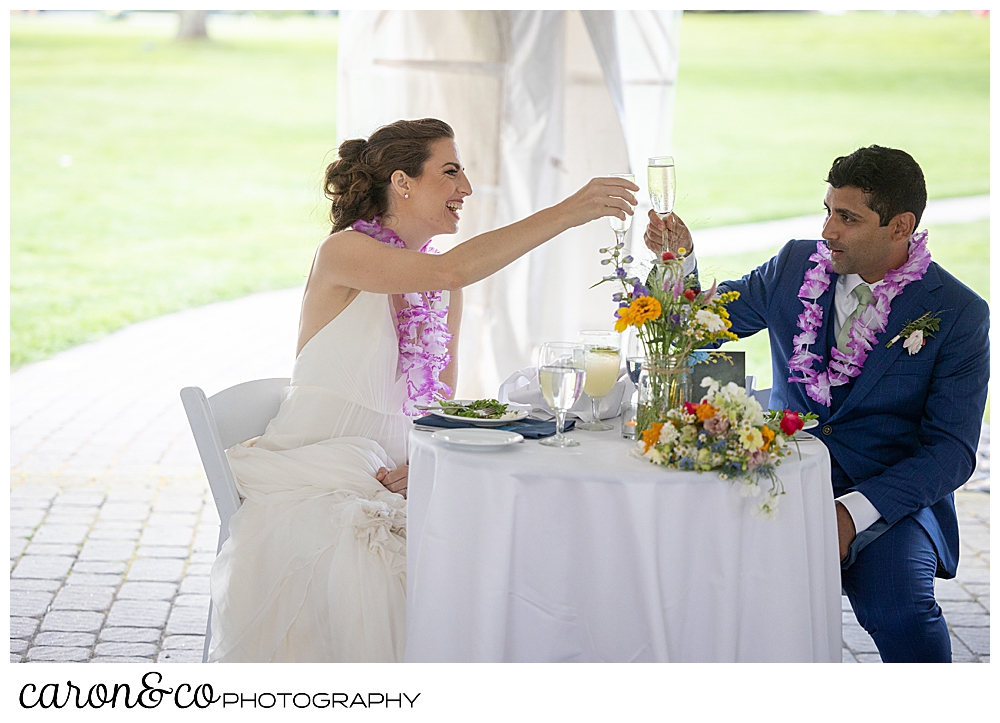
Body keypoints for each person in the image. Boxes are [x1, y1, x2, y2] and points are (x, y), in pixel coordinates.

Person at [208, 118, 639, 662]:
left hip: (389, 472)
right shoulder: (344, 253)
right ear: (402, 182)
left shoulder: (438, 281)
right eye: (451, 172)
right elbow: (454, 271)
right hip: (314, 480)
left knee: (510, 549)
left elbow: (435, 406)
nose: (466, 189)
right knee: (386, 563)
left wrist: (424, 461)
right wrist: (568, 213)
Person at [643, 145, 989, 662]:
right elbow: (697, 329)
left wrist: (850, 516)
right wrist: (679, 260)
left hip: (889, 500)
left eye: (847, 218)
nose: (828, 230)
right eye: (828, 211)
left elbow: (952, 453)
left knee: (902, 608)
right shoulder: (794, 265)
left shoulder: (958, 313)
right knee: (696, 581)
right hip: (780, 480)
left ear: (901, 227)